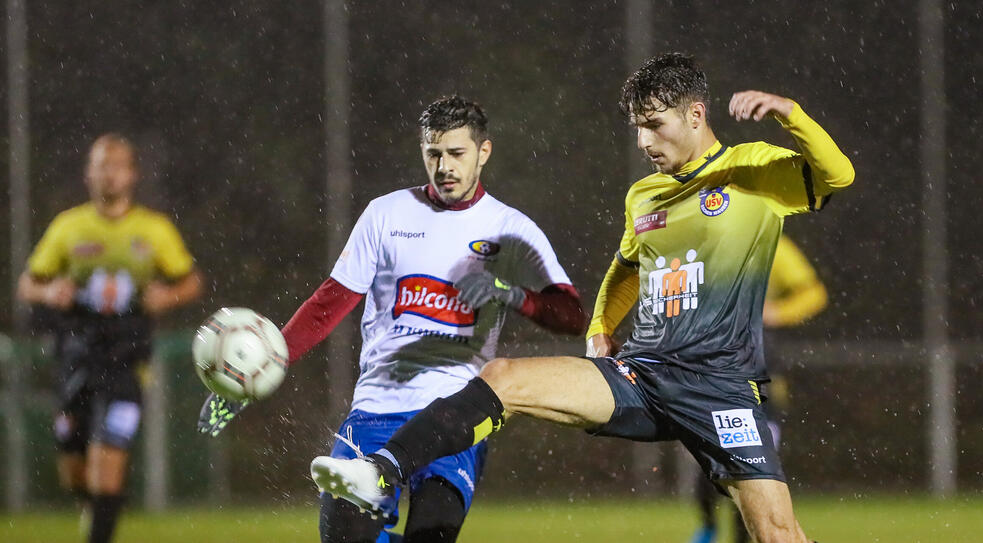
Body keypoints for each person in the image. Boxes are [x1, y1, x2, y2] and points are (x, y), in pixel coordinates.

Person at [309, 52, 854, 543]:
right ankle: (381, 470)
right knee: (503, 377)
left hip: (720, 388)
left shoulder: (753, 172)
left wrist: (790, 113)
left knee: (778, 534)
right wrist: (599, 328)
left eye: (655, 126)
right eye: (638, 128)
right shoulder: (644, 194)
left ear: (695, 115)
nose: (644, 142)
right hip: (644, 375)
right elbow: (626, 268)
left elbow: (838, 174)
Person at [198, 96, 587, 543]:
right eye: (433, 153)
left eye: (457, 154)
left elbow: (571, 315)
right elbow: (330, 303)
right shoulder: (386, 214)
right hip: (375, 411)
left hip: (453, 415)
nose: (444, 167)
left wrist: (511, 294)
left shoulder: (510, 228)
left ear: (484, 152)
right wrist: (258, 375)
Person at [17, 133, 204, 543]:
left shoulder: (153, 229)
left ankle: (103, 518)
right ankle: (99, 507)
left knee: (107, 467)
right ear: (88, 174)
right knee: (74, 470)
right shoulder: (69, 226)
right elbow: (27, 284)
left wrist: (167, 295)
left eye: (117, 164)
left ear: (132, 174)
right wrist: (51, 291)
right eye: (101, 164)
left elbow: (190, 282)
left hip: (127, 358)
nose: (109, 173)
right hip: (76, 355)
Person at [690, 233, 828, 543]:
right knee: (709, 469)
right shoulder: (705, 241)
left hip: (758, 377)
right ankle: (708, 525)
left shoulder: (772, 243)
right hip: (714, 372)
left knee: (752, 469)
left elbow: (814, 293)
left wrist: (776, 312)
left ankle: (741, 536)